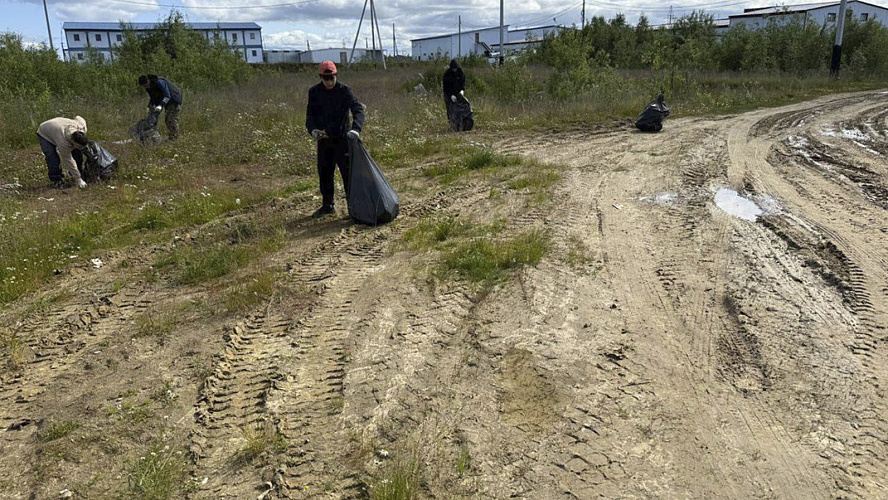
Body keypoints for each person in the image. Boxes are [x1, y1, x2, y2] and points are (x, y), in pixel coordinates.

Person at [305, 60, 365, 218]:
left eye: (332, 78)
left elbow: (358, 109)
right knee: (324, 173)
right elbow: (310, 115)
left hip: (343, 140)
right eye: (326, 78)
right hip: (324, 141)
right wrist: (313, 130)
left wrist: (356, 129)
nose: (329, 81)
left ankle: (354, 208)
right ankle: (327, 205)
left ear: (336, 76)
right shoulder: (314, 92)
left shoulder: (345, 91)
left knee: (348, 175)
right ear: (321, 77)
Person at [36, 116, 89, 189]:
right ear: (73, 141)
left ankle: (78, 173)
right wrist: (78, 179)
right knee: (52, 156)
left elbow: (78, 117)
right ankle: (56, 180)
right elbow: (68, 160)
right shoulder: (63, 143)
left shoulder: (81, 127)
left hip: (57, 125)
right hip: (45, 133)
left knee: (77, 153)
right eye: (79, 146)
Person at [138, 74, 183, 141]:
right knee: (152, 117)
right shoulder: (149, 88)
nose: (146, 86)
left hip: (173, 100)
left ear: (148, 81)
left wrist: (161, 105)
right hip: (163, 100)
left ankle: (174, 139)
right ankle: (151, 135)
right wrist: (149, 107)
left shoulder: (160, 82)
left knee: (170, 119)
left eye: (146, 84)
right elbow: (152, 98)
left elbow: (167, 96)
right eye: (144, 86)